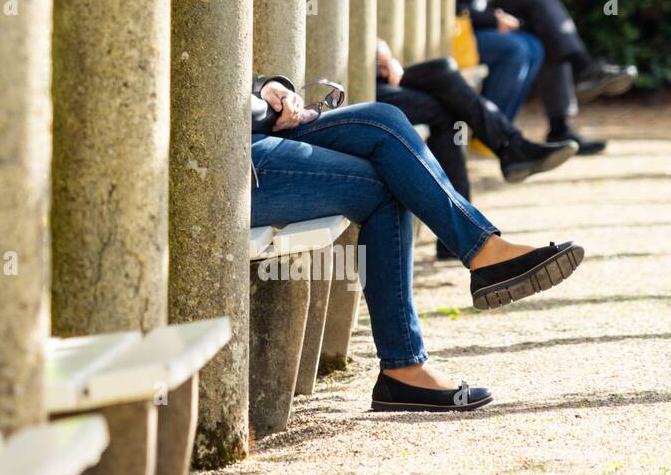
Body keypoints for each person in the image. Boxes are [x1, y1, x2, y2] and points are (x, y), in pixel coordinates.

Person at [250, 74, 585, 412]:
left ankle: (482, 254)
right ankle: (404, 365)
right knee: (385, 186)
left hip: (256, 127)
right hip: (235, 158)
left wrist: (267, 88)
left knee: (386, 119)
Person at [455, 0, 637, 155]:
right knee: (534, 7)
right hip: (463, 32)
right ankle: (581, 72)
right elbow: (455, 9)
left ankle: (562, 123)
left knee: (545, 23)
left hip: (477, 22)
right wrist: (492, 19)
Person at [374, 39, 576, 261]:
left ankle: (459, 237)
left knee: (444, 69)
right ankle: (510, 148)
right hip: (355, 90)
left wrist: (380, 52)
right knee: (447, 106)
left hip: (375, 75)